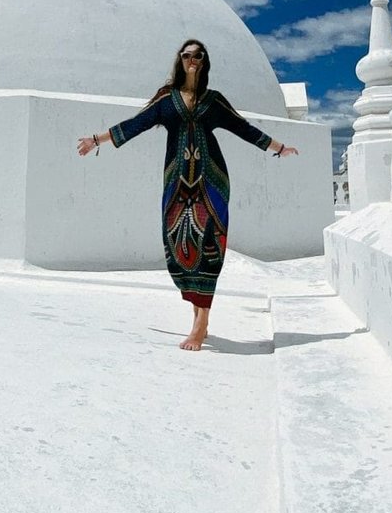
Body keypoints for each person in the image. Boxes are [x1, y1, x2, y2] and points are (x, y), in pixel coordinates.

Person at [78, 39, 299, 350]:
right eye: (187, 55)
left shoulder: (214, 101)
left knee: (209, 245)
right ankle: (198, 311)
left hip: (212, 182)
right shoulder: (167, 99)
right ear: (179, 60)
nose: (193, 60)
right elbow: (136, 124)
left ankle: (201, 322)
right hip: (176, 184)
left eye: (198, 55)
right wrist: (95, 139)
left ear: (204, 61)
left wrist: (278, 148)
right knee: (179, 245)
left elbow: (243, 128)